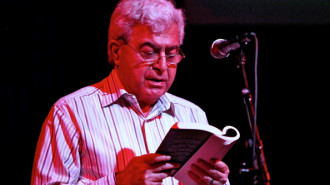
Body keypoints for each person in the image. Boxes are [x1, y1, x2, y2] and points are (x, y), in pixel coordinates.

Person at [31, 0, 231, 184]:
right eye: (148, 52)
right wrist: (119, 182)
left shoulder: (193, 115)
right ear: (117, 52)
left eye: (171, 54)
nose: (162, 66)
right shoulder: (71, 112)